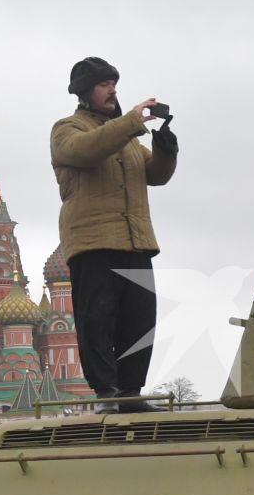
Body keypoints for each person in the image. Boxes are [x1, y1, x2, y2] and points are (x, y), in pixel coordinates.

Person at [51, 56, 179, 413]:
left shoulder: (126, 138)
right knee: (98, 320)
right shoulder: (67, 129)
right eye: (105, 84)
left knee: (139, 321)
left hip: (135, 241)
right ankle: (106, 392)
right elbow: (88, 151)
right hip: (93, 243)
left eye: (114, 85)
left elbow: (154, 175)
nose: (112, 90)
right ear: (85, 91)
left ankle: (130, 392)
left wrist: (166, 149)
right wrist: (131, 122)